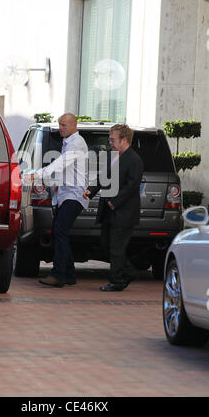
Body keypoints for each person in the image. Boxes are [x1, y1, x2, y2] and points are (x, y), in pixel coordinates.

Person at [29, 113, 89, 287]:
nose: (60, 128)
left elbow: (61, 163)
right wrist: (57, 183)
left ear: (73, 125)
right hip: (65, 192)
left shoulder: (77, 143)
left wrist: (38, 174)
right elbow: (67, 169)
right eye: (60, 124)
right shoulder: (68, 142)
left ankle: (58, 275)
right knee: (59, 232)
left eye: (64, 125)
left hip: (74, 194)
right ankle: (69, 274)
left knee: (60, 231)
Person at [83, 124, 143, 291]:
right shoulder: (112, 156)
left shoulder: (134, 159)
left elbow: (131, 185)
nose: (110, 142)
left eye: (112, 139)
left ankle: (116, 281)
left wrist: (115, 201)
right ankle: (129, 272)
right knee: (106, 246)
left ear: (124, 140)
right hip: (109, 211)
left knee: (116, 248)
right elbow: (104, 178)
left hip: (124, 212)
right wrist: (91, 190)